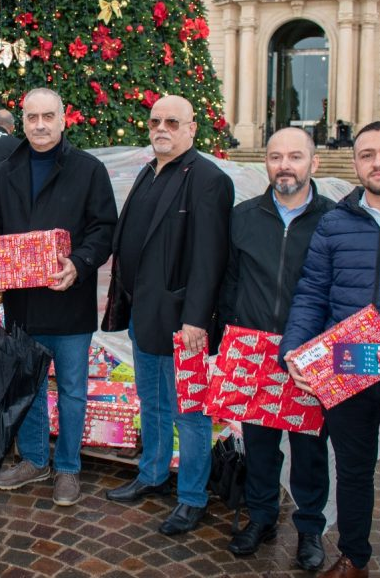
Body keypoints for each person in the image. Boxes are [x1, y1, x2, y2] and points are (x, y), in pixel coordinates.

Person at [280, 121, 380, 578]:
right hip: (346, 369)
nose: (378, 162)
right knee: (351, 472)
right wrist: (294, 348)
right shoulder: (336, 222)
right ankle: (354, 557)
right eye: (367, 154)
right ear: (355, 163)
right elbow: (313, 291)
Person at [102, 95, 234, 535]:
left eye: (172, 122)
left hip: (184, 322)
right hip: (144, 313)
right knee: (153, 402)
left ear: (192, 128)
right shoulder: (149, 170)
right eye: (156, 120)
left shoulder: (209, 179)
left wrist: (197, 319)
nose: (162, 128)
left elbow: (210, 258)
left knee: (190, 412)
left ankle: (193, 497)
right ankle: (153, 474)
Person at [0, 89, 116, 506]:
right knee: (30, 387)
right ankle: (35, 459)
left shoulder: (88, 170)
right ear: (22, 121)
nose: (40, 125)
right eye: (32, 117)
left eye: (48, 116)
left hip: (70, 304)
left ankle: (68, 468)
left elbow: (104, 229)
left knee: (73, 390)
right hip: (23, 306)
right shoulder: (5, 171)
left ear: (64, 119)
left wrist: (79, 263)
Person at [218, 127, 333, 570]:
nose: (285, 165)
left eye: (295, 157)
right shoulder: (243, 216)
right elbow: (230, 282)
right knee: (261, 445)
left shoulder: (333, 219)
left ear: (313, 163)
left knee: (309, 449)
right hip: (253, 349)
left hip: (308, 354)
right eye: (275, 156)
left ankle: (309, 529)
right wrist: (227, 340)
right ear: (265, 163)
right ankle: (262, 516)